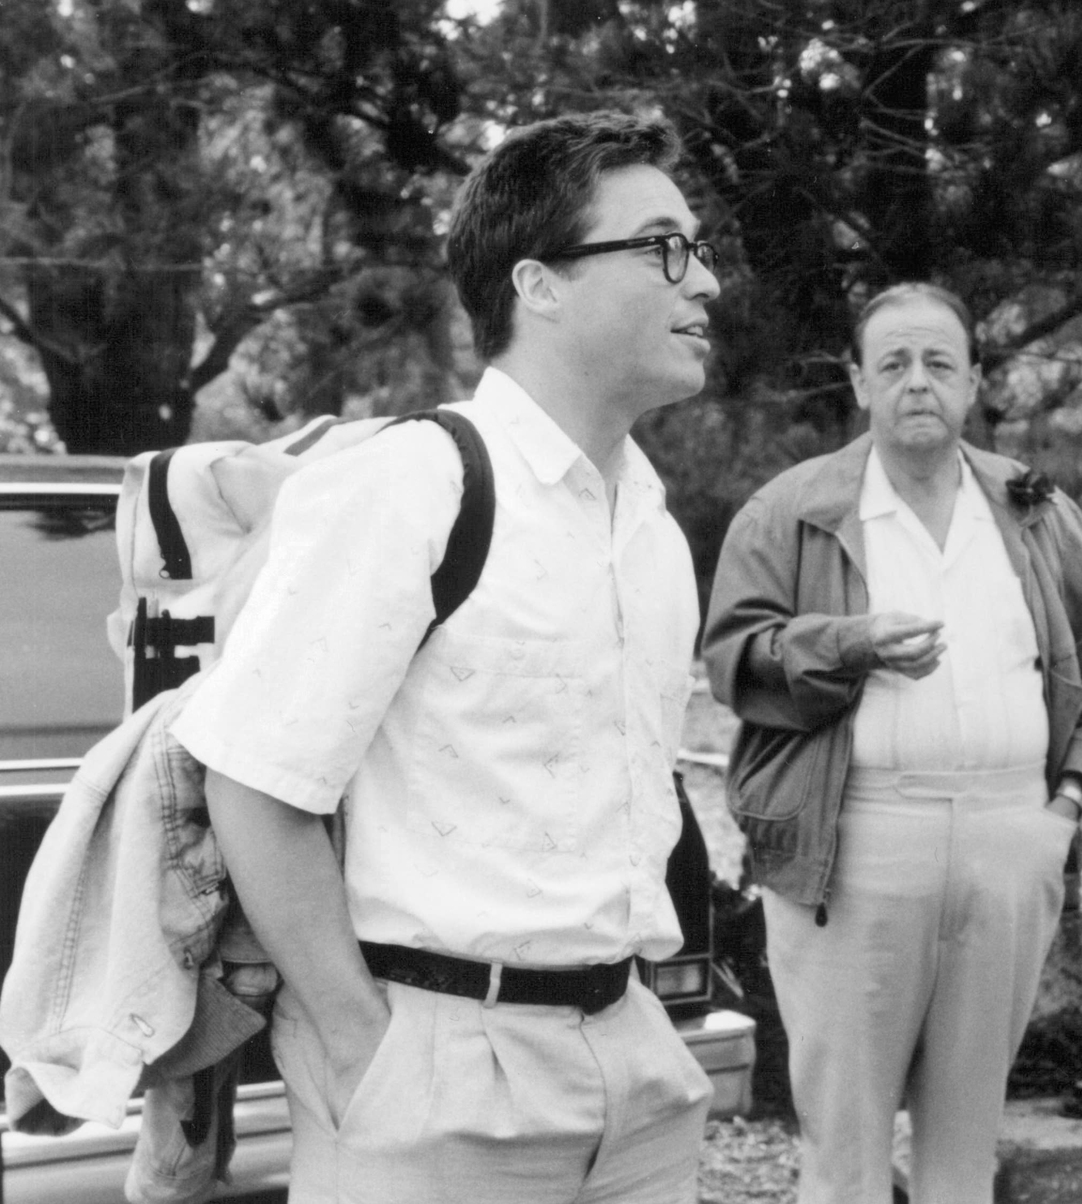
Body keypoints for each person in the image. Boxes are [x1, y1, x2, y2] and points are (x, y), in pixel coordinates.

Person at [171, 112, 723, 1203]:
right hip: (432, 1074)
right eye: (664, 246)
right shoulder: (414, 485)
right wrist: (363, 1040)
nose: (703, 281)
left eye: (697, 248)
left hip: (636, 1065)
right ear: (539, 284)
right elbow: (252, 780)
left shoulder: (651, 528)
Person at [702, 282, 1082, 1204]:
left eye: (937, 362)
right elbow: (733, 659)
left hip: (1014, 839)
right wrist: (844, 644)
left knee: (966, 1148)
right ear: (858, 383)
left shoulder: (1035, 508)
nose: (916, 382)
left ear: (974, 380)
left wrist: (1062, 814)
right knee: (845, 1145)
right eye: (892, 363)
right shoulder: (791, 511)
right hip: (858, 843)